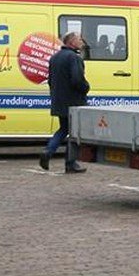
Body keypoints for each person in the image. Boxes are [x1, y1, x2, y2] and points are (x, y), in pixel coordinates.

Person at [40, 31, 90, 174]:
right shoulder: (74, 58)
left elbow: (50, 81)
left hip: (59, 100)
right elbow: (77, 80)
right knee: (75, 132)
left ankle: (48, 151)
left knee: (63, 129)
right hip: (73, 102)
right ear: (71, 42)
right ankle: (70, 162)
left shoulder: (54, 58)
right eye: (79, 39)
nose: (82, 42)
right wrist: (86, 88)